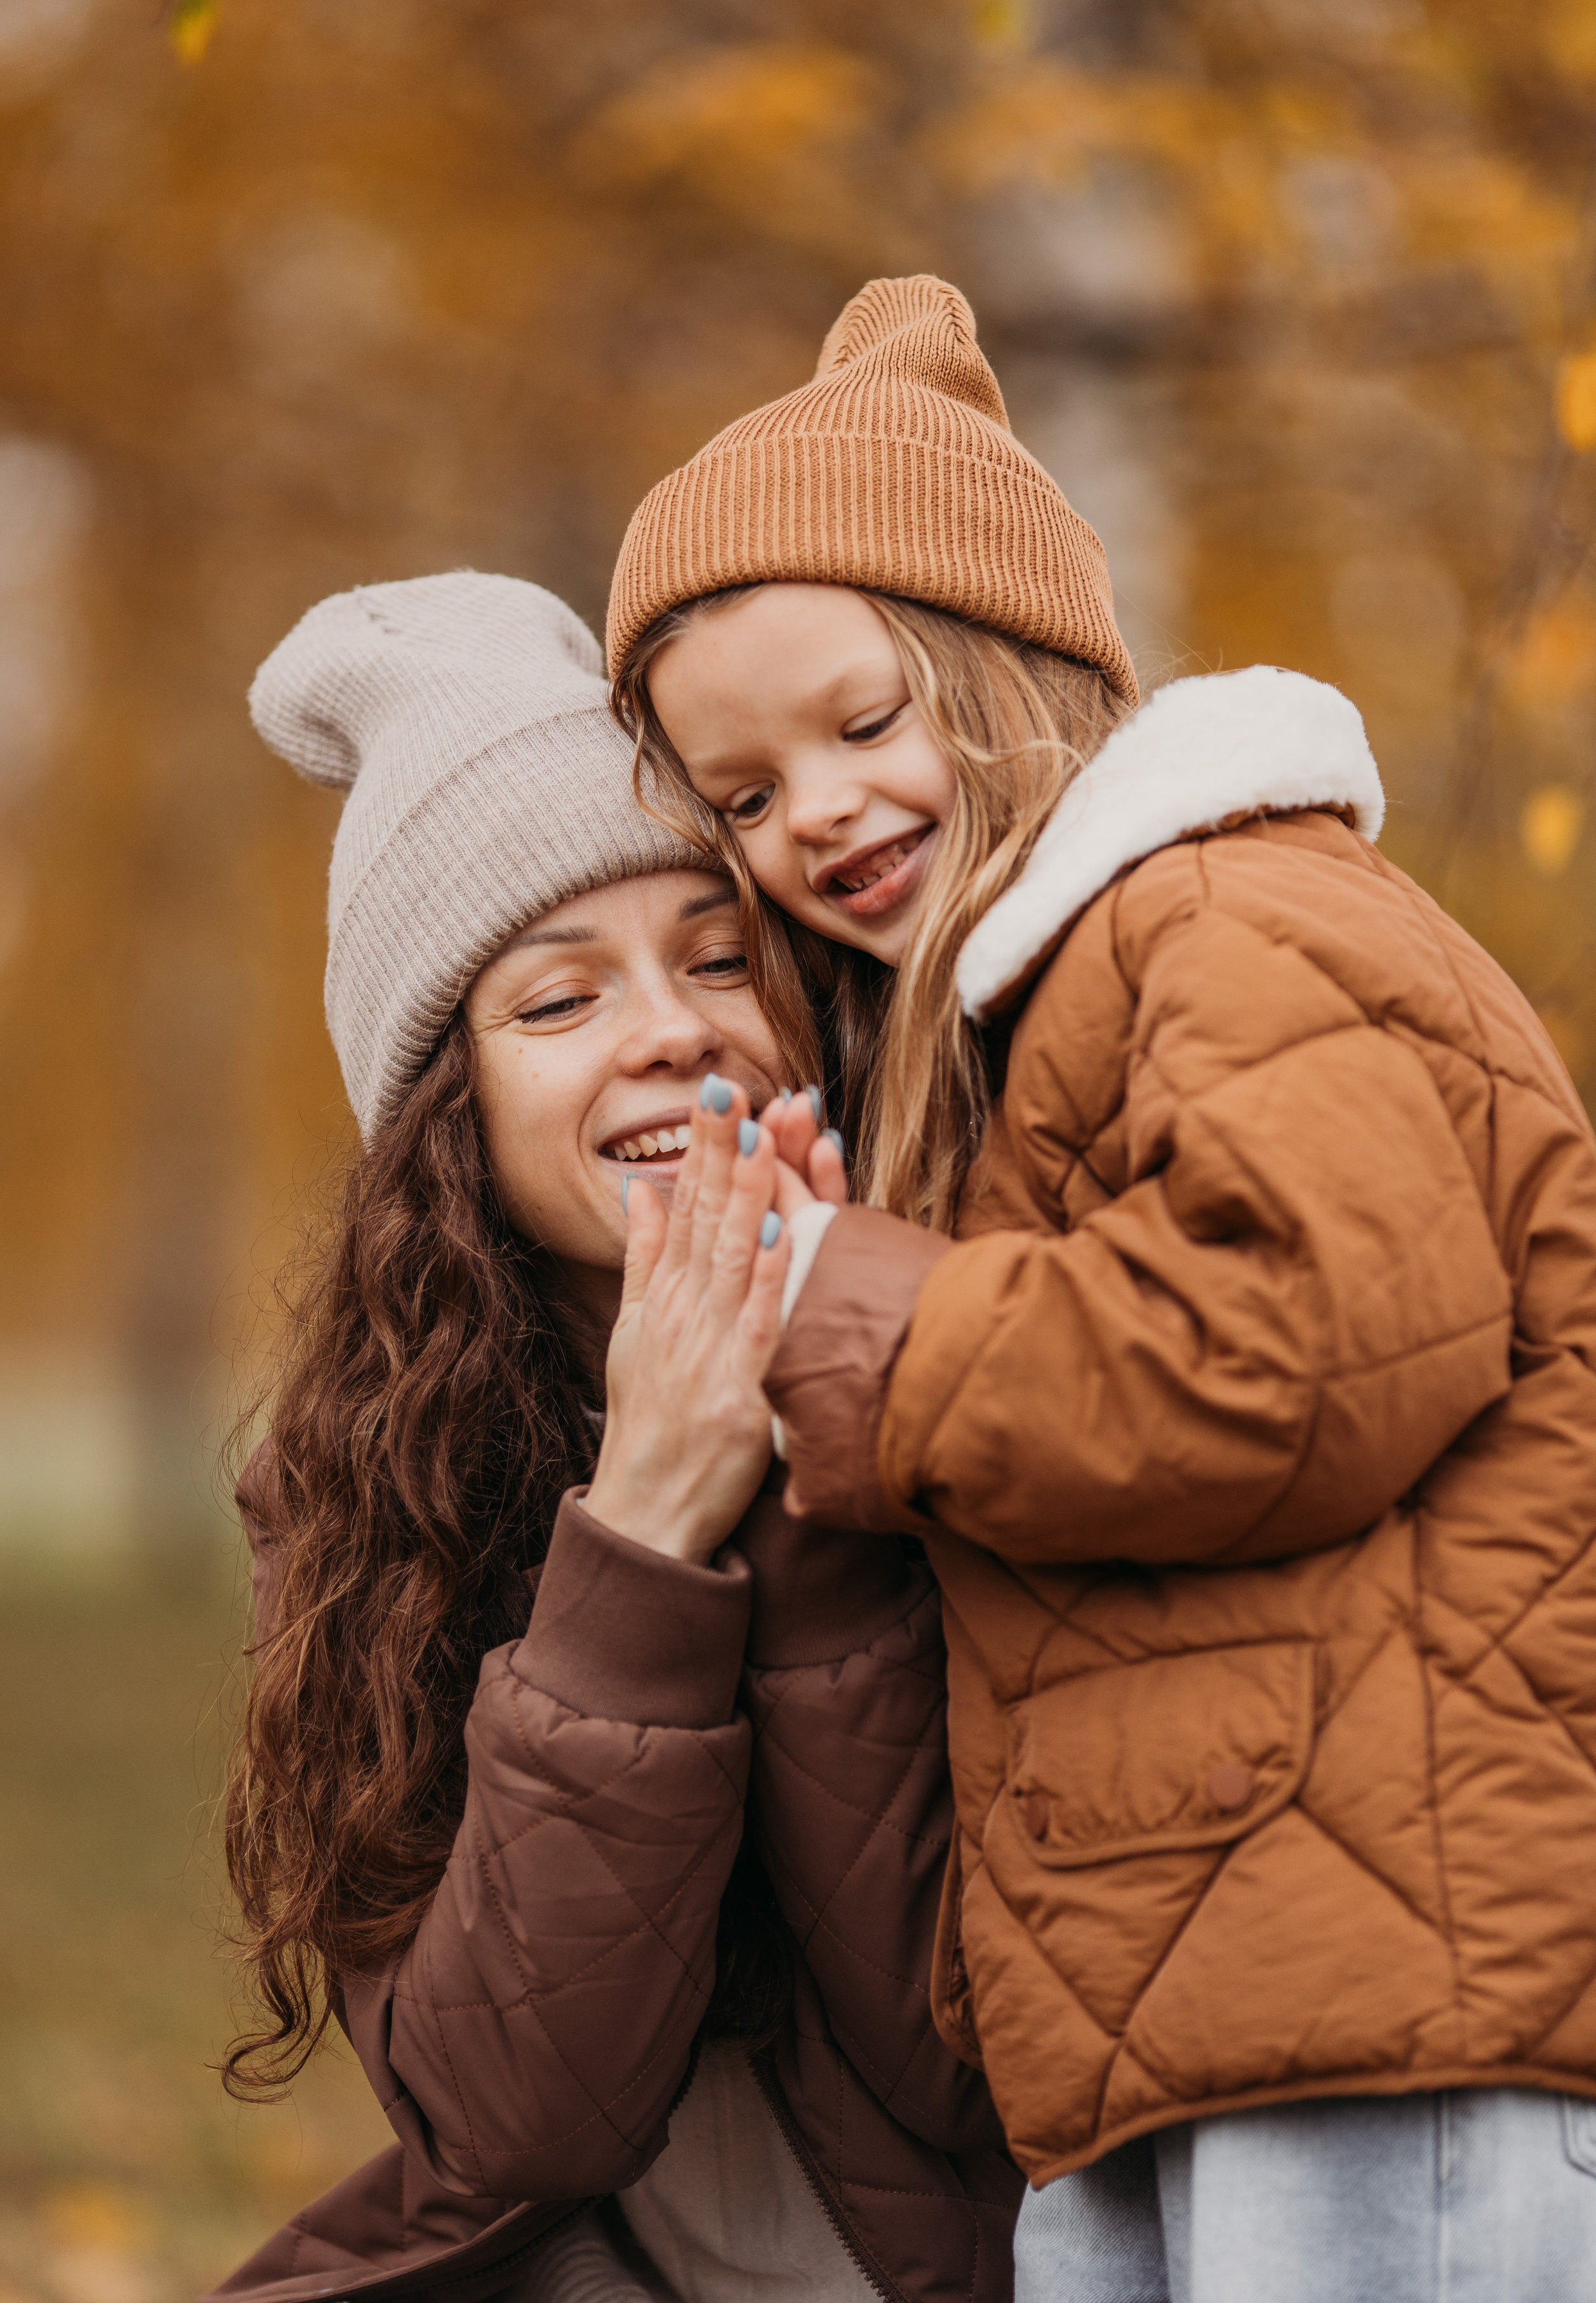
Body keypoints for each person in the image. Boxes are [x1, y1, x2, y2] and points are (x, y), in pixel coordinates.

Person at [601, 274, 1596, 2302]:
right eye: (745, 793)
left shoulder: (1230, 910)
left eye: (863, 723)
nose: (821, 816)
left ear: (1016, 659)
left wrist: (854, 1317)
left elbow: (1307, 1352)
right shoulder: (1032, 1021)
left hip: (1386, 1992)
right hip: (1209, 1987)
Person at [206, 572, 1020, 2303]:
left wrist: (801, 1521)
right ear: (456, 1114)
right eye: (557, 1004)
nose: (668, 1033)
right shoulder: (366, 1480)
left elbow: (979, 2065)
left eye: (720, 958)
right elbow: (509, 2127)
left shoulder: (999, 1324)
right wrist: (645, 1532)